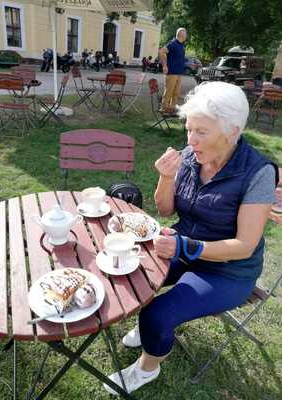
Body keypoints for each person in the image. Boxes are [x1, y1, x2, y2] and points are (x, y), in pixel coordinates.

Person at [103, 82, 278, 395]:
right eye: (188, 129)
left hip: (228, 271)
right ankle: (148, 331)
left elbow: (245, 246)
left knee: (156, 313)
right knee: (132, 275)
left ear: (232, 130)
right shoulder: (189, 156)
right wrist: (167, 177)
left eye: (201, 132)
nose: (190, 140)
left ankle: (147, 368)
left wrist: (185, 245)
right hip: (183, 249)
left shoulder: (258, 172)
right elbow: (166, 208)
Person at [159, 27, 187, 114]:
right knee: (169, 91)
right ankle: (164, 109)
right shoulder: (173, 43)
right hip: (172, 73)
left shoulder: (181, 45)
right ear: (181, 34)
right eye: (185, 33)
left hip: (179, 73)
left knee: (176, 92)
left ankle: (172, 109)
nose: (186, 35)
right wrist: (164, 66)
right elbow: (162, 51)